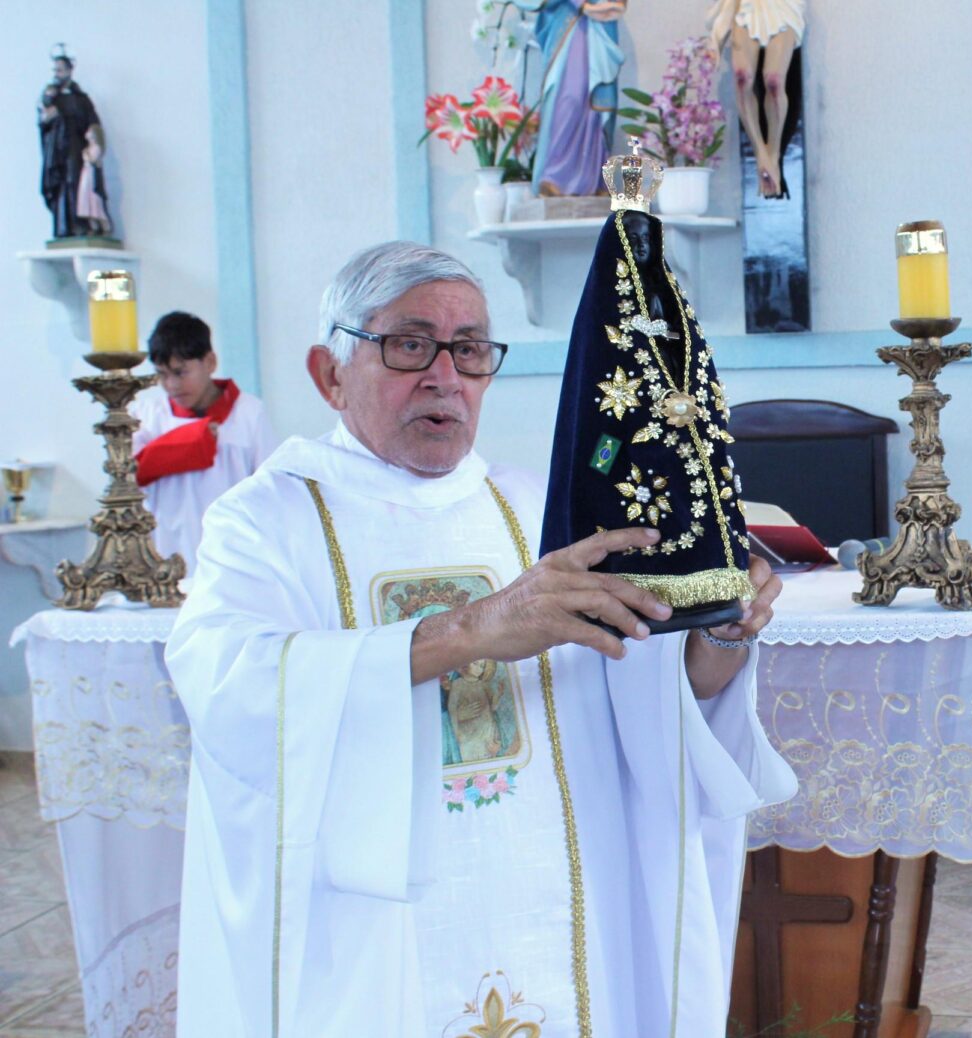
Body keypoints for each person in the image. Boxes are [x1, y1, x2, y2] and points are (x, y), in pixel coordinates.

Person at [165, 240, 797, 1037]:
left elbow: (646, 700)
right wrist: (471, 631)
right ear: (329, 374)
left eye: (469, 351)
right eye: (408, 344)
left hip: (556, 894)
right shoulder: (266, 520)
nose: (445, 376)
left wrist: (722, 635)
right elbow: (228, 685)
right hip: (377, 932)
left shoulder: (539, 508)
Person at [131, 311, 277, 573]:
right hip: (164, 557)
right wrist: (195, 439)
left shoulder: (249, 414)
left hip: (233, 556)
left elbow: (269, 490)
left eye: (181, 372)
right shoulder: (146, 416)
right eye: (161, 374)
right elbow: (129, 477)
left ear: (209, 362)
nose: (171, 385)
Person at [518, 0, 626, 197]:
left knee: (594, 107)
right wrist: (583, 5)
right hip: (567, 25)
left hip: (598, 29)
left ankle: (595, 179)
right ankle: (554, 177)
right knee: (568, 101)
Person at [707, 0, 805, 198]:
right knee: (742, 78)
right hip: (748, 7)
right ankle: (761, 153)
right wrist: (716, 37)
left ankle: (773, 153)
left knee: (774, 80)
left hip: (782, 7)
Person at [37, 47, 102, 239]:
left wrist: (93, 142)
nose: (57, 74)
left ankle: (80, 224)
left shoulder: (80, 98)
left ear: (69, 70)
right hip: (56, 148)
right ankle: (62, 227)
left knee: (75, 182)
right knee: (58, 184)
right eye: (55, 70)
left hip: (75, 145)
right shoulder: (49, 97)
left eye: (61, 70)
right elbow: (42, 121)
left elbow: (92, 123)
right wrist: (47, 116)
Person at [75, 124, 112, 236]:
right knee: (85, 198)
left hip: (92, 176)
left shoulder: (96, 148)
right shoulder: (88, 148)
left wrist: (86, 155)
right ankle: (93, 226)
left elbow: (91, 160)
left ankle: (104, 226)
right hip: (86, 174)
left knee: (95, 200)